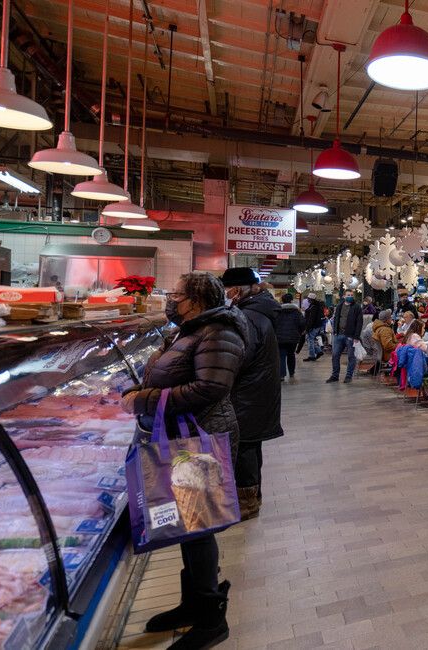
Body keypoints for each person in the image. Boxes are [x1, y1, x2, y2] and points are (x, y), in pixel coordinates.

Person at [120, 272, 244, 647]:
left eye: (175, 294)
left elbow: (211, 386)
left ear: (196, 300)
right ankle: (193, 603)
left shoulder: (218, 331)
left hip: (201, 436)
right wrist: (144, 390)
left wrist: (145, 400)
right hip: (183, 434)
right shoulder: (193, 328)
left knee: (199, 526)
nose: (170, 299)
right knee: (190, 528)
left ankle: (210, 620)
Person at [221, 268, 282, 521]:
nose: (224, 295)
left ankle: (246, 504)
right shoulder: (259, 312)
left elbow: (240, 357)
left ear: (236, 291)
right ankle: (251, 498)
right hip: (257, 392)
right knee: (249, 447)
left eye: (225, 290)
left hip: (247, 394)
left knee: (244, 447)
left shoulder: (247, 317)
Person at [327, 289, 363, 384]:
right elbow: (336, 318)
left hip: (350, 336)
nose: (350, 296)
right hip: (338, 335)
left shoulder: (357, 307)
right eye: (348, 295)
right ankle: (335, 375)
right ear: (344, 296)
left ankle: (348, 376)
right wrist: (335, 331)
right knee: (335, 355)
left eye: (351, 295)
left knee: (351, 357)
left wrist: (356, 336)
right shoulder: (339, 306)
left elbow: (359, 322)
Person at [274, 294, 304, 382]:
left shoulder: (278, 311)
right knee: (291, 355)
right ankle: (291, 372)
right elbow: (302, 323)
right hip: (293, 338)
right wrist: (298, 332)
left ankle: (282, 375)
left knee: (281, 355)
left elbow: (273, 323)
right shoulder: (297, 312)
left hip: (280, 338)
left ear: (282, 300)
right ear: (291, 300)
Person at [302, 293, 324, 361]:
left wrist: (307, 328)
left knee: (310, 340)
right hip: (316, 326)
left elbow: (311, 319)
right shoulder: (315, 306)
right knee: (310, 339)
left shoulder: (314, 307)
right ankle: (319, 351)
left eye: (308, 299)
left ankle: (312, 356)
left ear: (311, 299)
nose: (307, 300)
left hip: (313, 326)